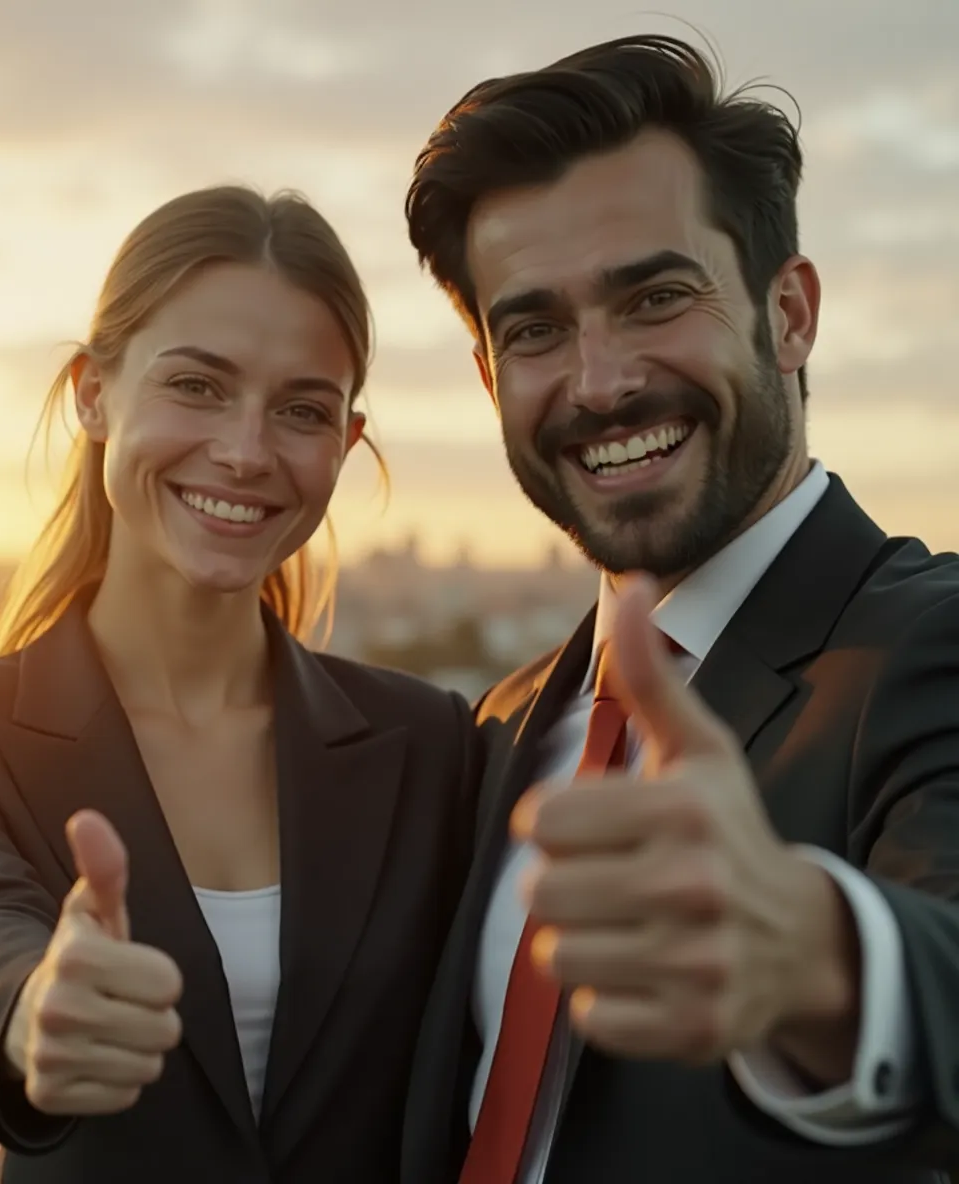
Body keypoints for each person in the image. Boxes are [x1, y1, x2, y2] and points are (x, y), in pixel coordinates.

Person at [400, 33, 959, 1184]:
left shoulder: (932, 646)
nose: (599, 381)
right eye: (534, 328)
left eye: (655, 295)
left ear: (789, 315)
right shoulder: (501, 727)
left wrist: (827, 958)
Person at [0, 185, 482, 1184]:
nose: (245, 449)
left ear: (346, 442)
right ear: (92, 392)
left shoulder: (435, 745)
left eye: (302, 409)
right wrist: (34, 1011)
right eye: (196, 385)